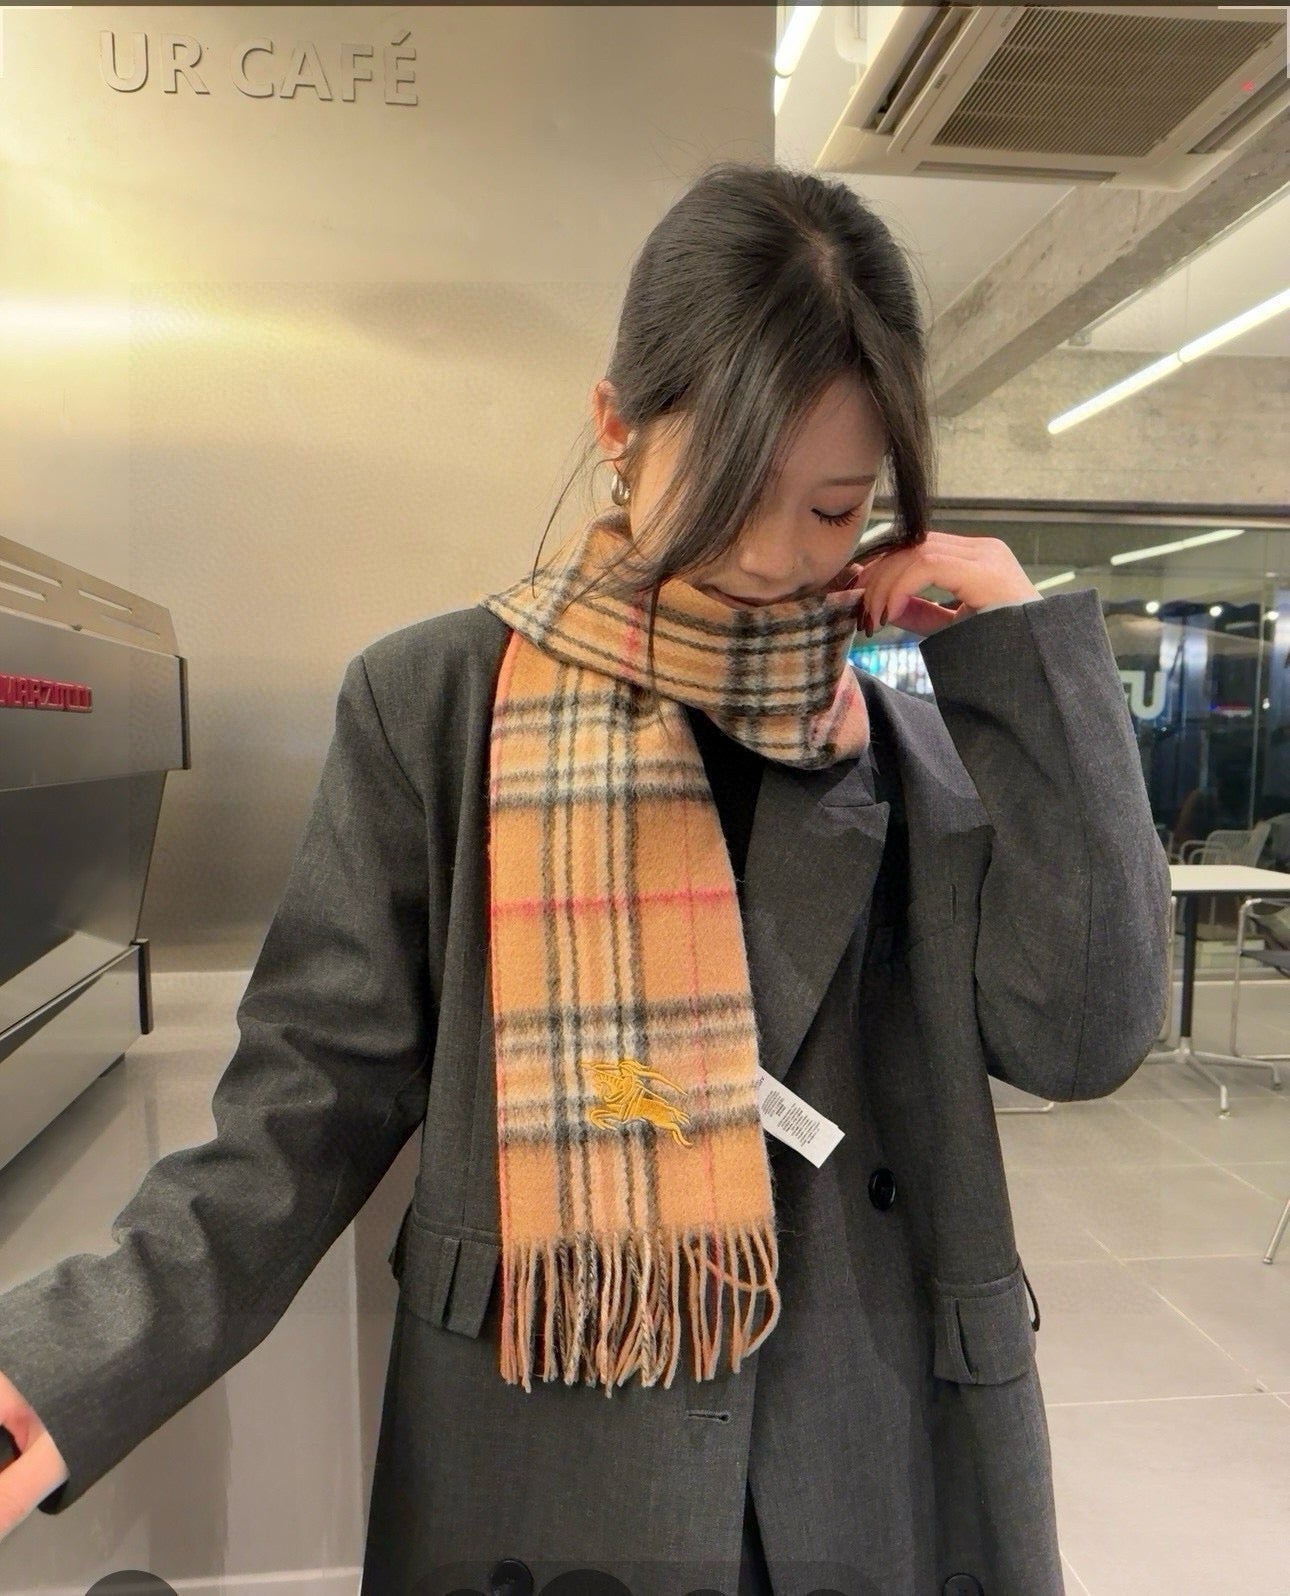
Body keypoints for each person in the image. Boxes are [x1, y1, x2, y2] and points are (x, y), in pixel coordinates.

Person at [0, 160, 1171, 1595]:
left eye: (830, 509)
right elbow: (303, 1111)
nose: (770, 557)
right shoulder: (436, 706)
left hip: (872, 1451)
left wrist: (1028, 655)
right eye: (730, 489)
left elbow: (1083, 1038)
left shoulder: (915, 747)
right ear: (616, 427)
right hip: (551, 1448)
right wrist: (68, 1362)